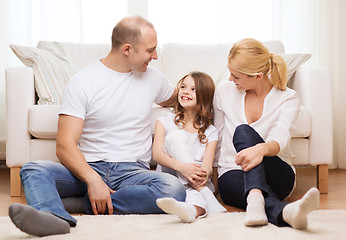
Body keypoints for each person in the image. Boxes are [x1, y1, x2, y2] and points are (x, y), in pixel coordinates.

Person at [8, 15, 186, 237]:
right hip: (89, 168)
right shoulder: (83, 82)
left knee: (173, 189)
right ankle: (51, 219)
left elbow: (180, 99)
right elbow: (64, 145)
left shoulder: (153, 78)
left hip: (132, 173)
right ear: (128, 49)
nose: (155, 56)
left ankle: (73, 206)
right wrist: (93, 179)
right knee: (33, 169)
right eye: (150, 50)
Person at [213, 38, 320, 229]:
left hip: (276, 173)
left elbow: (279, 140)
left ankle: (255, 197)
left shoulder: (287, 98)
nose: (230, 79)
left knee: (243, 132)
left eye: (236, 76)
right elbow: (218, 134)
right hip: (233, 172)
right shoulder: (224, 91)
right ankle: (286, 212)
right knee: (248, 187)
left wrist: (260, 150)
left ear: (258, 76)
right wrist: (212, 178)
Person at [152, 72, 227, 223]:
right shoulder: (165, 121)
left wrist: (203, 175)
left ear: (204, 96)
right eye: (184, 87)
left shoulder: (210, 131)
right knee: (176, 136)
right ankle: (205, 195)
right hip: (172, 179)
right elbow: (157, 155)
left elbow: (208, 166)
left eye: (193, 89)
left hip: (198, 181)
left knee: (194, 197)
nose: (185, 91)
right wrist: (183, 168)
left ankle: (191, 210)